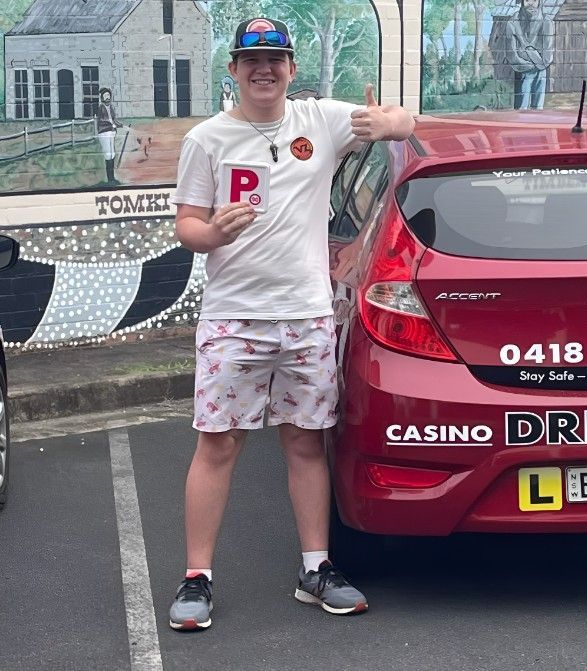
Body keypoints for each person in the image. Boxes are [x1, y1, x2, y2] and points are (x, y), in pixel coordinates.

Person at [167, 16, 415, 630]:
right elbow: (187, 226)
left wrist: (390, 124)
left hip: (306, 315)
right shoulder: (208, 140)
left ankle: (316, 568)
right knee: (218, 444)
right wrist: (211, 233)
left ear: (291, 69)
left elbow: (407, 122)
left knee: (306, 443)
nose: (264, 70)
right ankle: (197, 577)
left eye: (275, 60)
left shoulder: (321, 121)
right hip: (234, 318)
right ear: (233, 69)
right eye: (252, 61)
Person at [503, 0, 554, 110]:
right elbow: (512, 56)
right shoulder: (512, 23)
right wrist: (530, 64)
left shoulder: (547, 22)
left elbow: (548, 55)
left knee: (538, 109)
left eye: (534, 0)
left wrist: (528, 53)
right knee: (521, 109)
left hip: (541, 71)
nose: (530, 3)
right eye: (527, 0)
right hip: (522, 71)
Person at [95, 88, 122, 184]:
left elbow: (113, 119)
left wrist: (119, 124)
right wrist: (112, 125)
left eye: (109, 95)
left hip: (111, 132)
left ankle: (112, 178)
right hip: (104, 132)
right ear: (102, 97)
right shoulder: (101, 107)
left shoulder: (111, 107)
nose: (107, 97)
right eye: (105, 96)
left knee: (112, 154)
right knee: (108, 154)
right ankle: (110, 179)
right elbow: (103, 121)